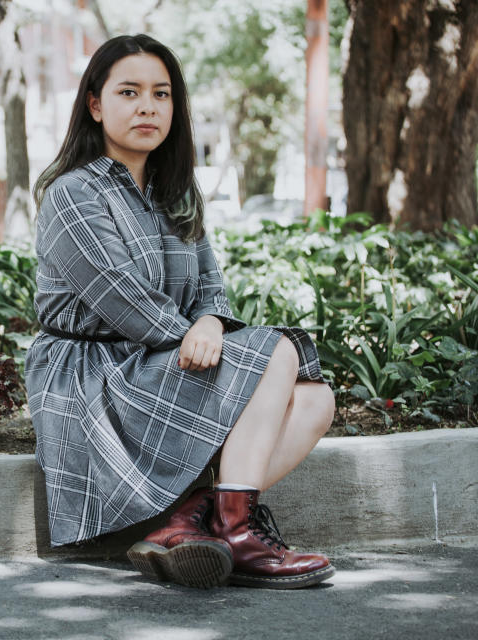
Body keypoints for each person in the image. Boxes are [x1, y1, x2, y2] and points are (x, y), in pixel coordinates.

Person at [25, 34, 336, 590]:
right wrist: (189, 332)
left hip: (160, 359)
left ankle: (192, 519)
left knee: (316, 399)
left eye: (161, 94)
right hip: (95, 375)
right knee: (278, 350)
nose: (148, 106)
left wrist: (212, 322)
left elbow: (211, 287)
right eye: (129, 92)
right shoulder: (73, 194)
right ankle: (238, 534)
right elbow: (123, 299)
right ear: (95, 105)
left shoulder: (177, 192)